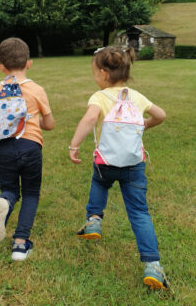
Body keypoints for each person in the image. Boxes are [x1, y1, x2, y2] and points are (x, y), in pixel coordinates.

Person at [69, 46, 169, 290]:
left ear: (103, 74)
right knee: (139, 213)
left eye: (94, 73)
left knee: (99, 183)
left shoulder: (99, 97)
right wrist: (145, 124)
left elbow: (90, 119)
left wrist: (74, 145)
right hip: (134, 165)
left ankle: (94, 219)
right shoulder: (136, 96)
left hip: (106, 162)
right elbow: (161, 115)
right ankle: (153, 266)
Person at [0, 37, 54, 261]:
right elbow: (50, 124)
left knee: (10, 189)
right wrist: (35, 122)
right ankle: (20, 243)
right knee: (31, 193)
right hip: (30, 146)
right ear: (29, 63)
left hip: (4, 149)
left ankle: (5, 203)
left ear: (1, 66)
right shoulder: (36, 90)